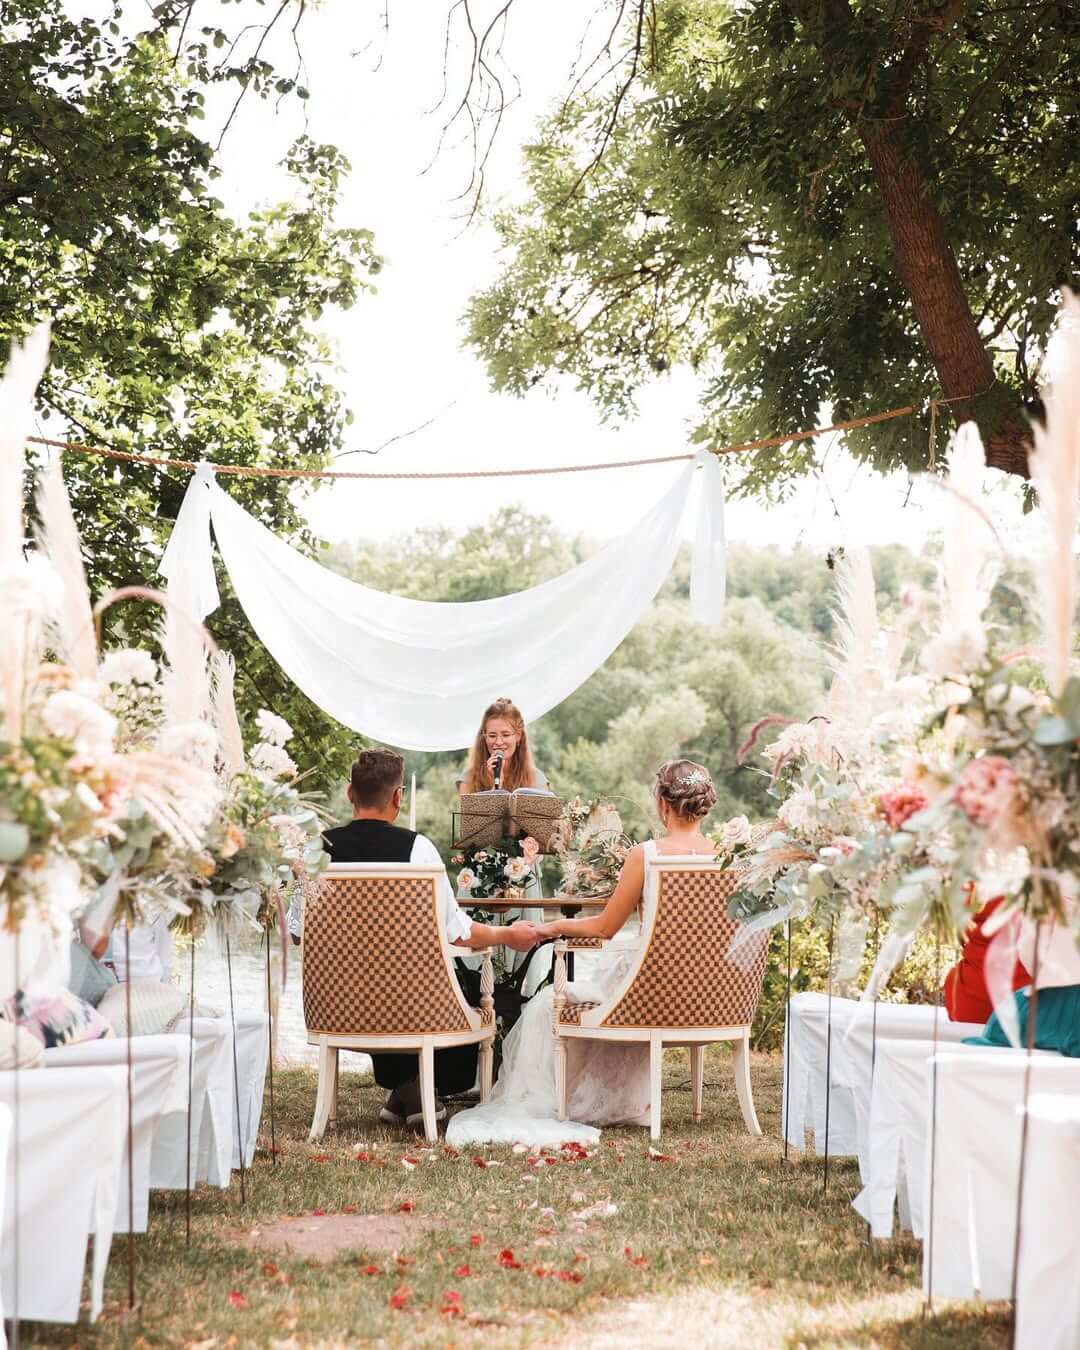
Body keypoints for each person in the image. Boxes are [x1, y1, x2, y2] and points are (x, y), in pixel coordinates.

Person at [447, 758, 719, 1148]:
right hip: (707, 998)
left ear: (662, 804)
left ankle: (562, 1102)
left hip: (652, 994)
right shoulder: (726, 856)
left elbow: (604, 927)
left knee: (545, 1005)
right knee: (581, 992)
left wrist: (553, 926)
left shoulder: (646, 855)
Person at [294, 747, 539, 1130]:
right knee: (464, 987)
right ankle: (420, 1091)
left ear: (348, 793)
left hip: (337, 1006)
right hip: (407, 1009)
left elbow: (297, 934)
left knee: (384, 978)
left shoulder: (315, 850)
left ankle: (405, 1089)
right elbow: (460, 933)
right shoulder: (416, 849)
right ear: (397, 797)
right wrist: (508, 933)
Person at [457, 698, 553, 997]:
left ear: (519, 735)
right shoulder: (470, 778)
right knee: (480, 948)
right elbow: (469, 834)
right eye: (492, 735)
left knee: (524, 946)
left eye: (505, 735)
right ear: (483, 738)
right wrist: (488, 783)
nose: (498, 742)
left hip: (521, 872)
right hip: (481, 873)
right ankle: (480, 1000)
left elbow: (546, 832)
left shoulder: (537, 780)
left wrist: (533, 847)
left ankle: (519, 1005)